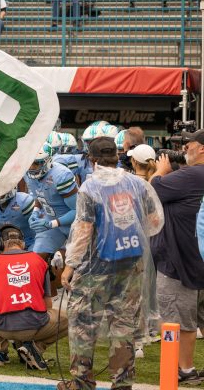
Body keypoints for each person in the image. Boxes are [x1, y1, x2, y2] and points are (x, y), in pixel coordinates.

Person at [59, 137, 164, 390]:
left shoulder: (89, 188)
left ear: (91, 159)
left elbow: (83, 230)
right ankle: (122, 383)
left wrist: (70, 265)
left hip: (95, 267)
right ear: (117, 156)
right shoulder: (136, 184)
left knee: (84, 324)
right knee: (124, 325)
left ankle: (82, 382)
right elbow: (153, 221)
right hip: (130, 265)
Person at [149, 128, 204, 384]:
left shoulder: (192, 175)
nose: (185, 150)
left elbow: (152, 191)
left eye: (188, 145)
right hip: (196, 257)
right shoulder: (191, 175)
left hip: (180, 262)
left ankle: (184, 370)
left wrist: (160, 170)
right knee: (192, 316)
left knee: (177, 319)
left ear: (201, 148)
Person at [0, 224, 67, 369]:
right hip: (33, 326)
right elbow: (48, 306)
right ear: (22, 243)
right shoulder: (39, 262)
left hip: (0, 326)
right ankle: (34, 348)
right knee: (69, 319)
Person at [25, 142, 78, 260]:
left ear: (47, 161)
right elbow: (39, 195)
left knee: (73, 264)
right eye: (29, 162)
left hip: (73, 226)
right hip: (51, 223)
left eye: (36, 163)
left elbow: (78, 211)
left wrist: (51, 224)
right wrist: (36, 211)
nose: (31, 167)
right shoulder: (27, 174)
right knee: (36, 259)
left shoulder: (61, 176)